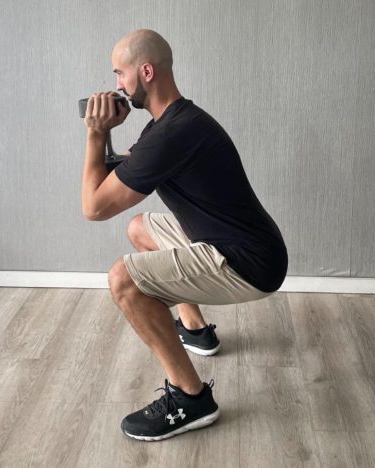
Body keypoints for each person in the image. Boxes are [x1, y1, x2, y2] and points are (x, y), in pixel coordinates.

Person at [81, 29, 287, 441]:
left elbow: (94, 207)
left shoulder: (170, 135)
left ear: (146, 71)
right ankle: (194, 330)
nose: (116, 85)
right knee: (140, 227)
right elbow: (118, 178)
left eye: (120, 74)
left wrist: (95, 133)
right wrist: (106, 138)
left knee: (124, 280)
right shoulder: (174, 122)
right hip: (236, 241)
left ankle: (190, 397)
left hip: (248, 262)